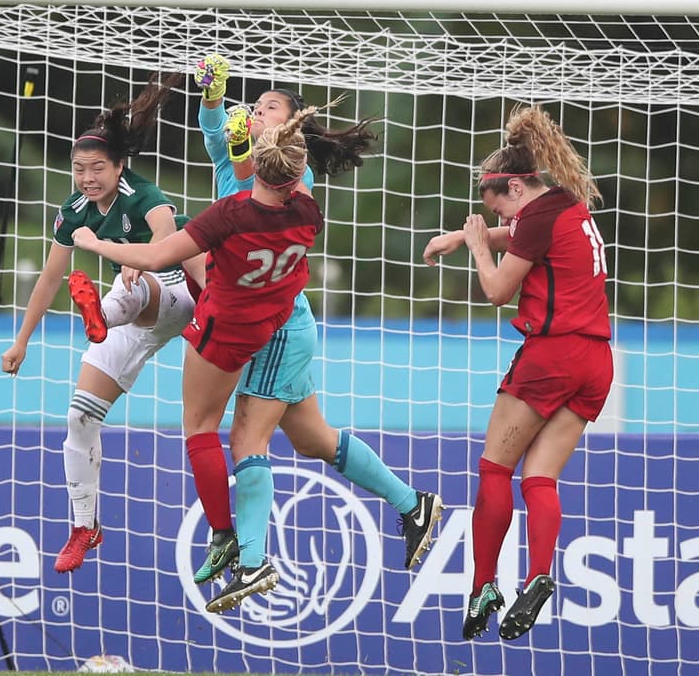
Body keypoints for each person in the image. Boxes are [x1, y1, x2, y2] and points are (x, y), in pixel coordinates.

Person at [189, 55, 443, 592]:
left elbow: (246, 171)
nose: (255, 113)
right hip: (257, 319)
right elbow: (215, 130)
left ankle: (252, 560)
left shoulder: (291, 169)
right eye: (253, 106)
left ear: (290, 128)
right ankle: (413, 503)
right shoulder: (232, 154)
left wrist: (241, 142)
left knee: (246, 439)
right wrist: (213, 95)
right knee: (311, 439)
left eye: (269, 109)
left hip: (278, 323)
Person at [72, 108, 324, 613]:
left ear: (256, 165)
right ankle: (117, 309)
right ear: (299, 175)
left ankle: (226, 536)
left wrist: (94, 242)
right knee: (292, 437)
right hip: (271, 324)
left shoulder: (231, 213)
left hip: (222, 326)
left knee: (200, 428)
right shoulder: (309, 210)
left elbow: (153, 254)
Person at [422, 105, 611, 641]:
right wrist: (461, 238)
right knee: (540, 478)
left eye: (498, 209)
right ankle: (537, 575)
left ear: (514, 188)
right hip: (597, 362)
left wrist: (478, 247)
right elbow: (523, 237)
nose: (500, 221)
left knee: (493, 470)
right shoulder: (566, 204)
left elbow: (497, 289)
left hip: (552, 356)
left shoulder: (533, 217)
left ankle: (484, 583)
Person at [1, 73, 202, 574]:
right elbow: (50, 278)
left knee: (133, 285)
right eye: (78, 169)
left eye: (97, 169)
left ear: (119, 167)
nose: (87, 178)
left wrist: (128, 256)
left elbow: (164, 246)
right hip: (126, 312)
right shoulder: (73, 210)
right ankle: (85, 526)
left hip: (176, 294)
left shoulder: (145, 194)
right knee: (79, 418)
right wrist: (21, 341)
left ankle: (101, 314)